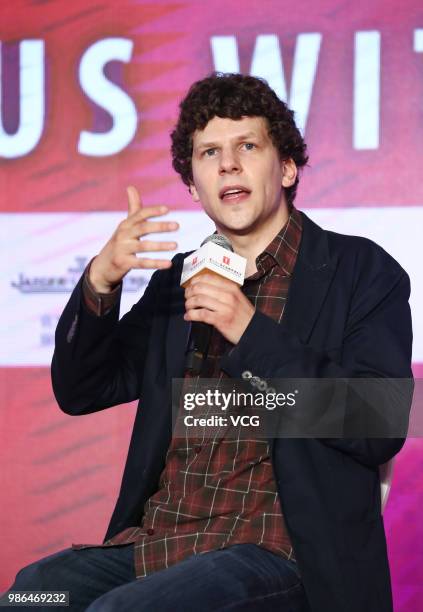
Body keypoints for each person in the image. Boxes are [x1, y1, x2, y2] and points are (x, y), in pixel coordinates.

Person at [7, 73, 412, 612]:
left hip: (278, 555)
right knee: (33, 595)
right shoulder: (178, 283)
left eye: (248, 145)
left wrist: (251, 332)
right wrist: (101, 283)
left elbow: (376, 424)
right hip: (160, 547)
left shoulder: (359, 272)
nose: (228, 164)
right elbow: (82, 389)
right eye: (209, 153)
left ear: (287, 167)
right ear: (195, 187)